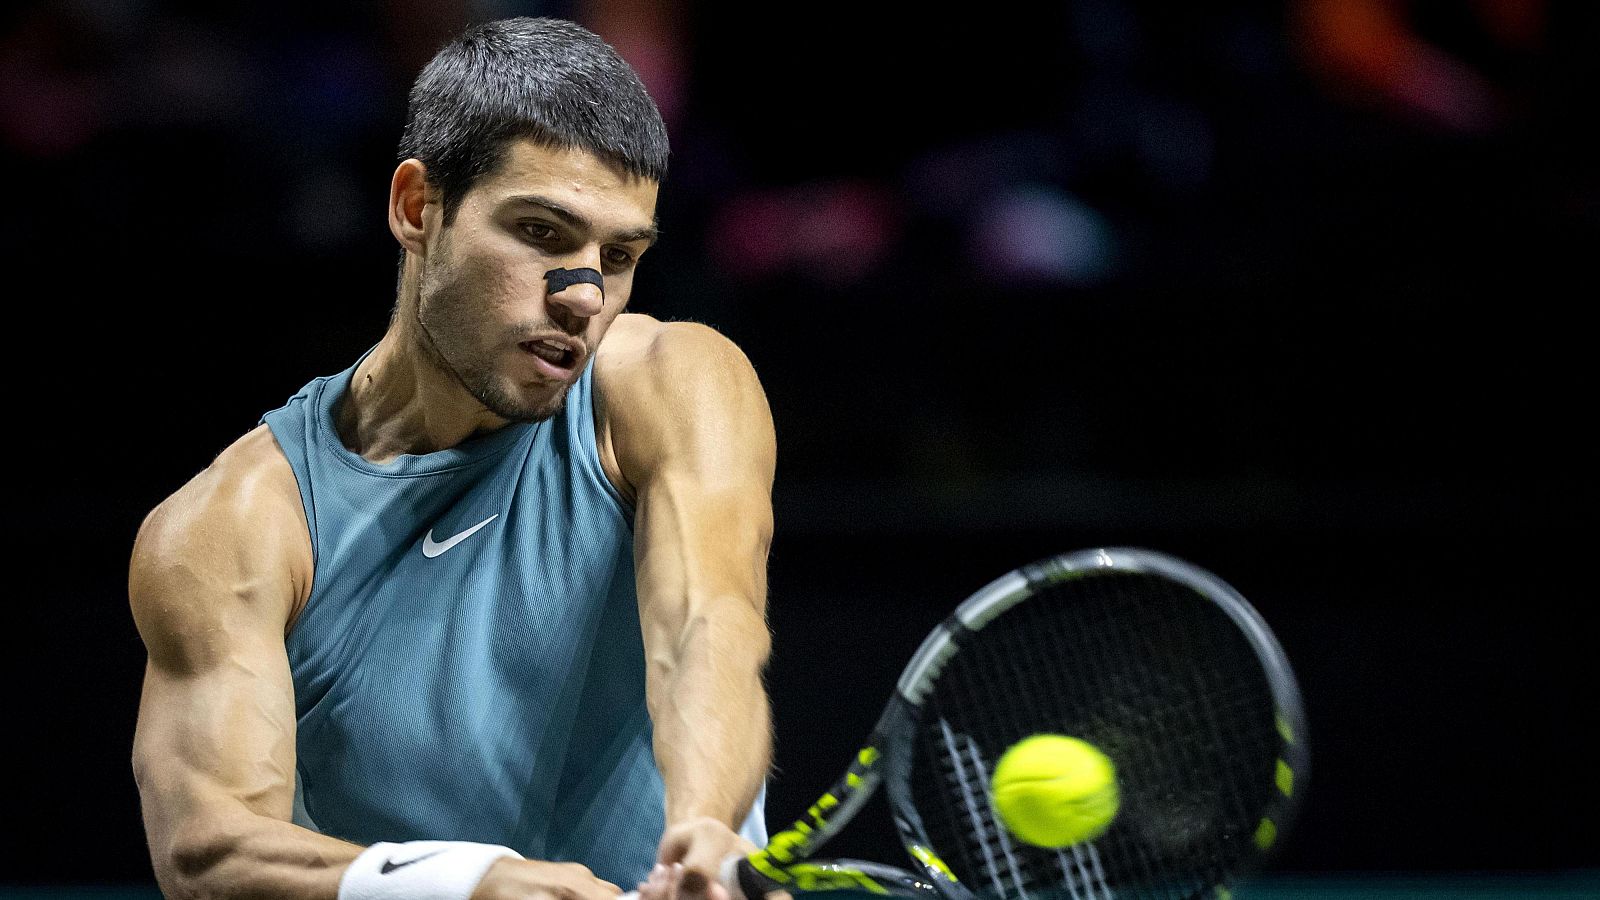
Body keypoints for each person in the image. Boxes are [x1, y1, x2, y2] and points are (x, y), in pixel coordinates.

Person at [129, 17, 775, 900]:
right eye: (542, 233)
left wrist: (700, 823)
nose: (585, 296)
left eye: (618, 257)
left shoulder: (671, 382)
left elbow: (709, 627)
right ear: (416, 208)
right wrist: (474, 883)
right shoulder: (234, 525)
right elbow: (208, 848)